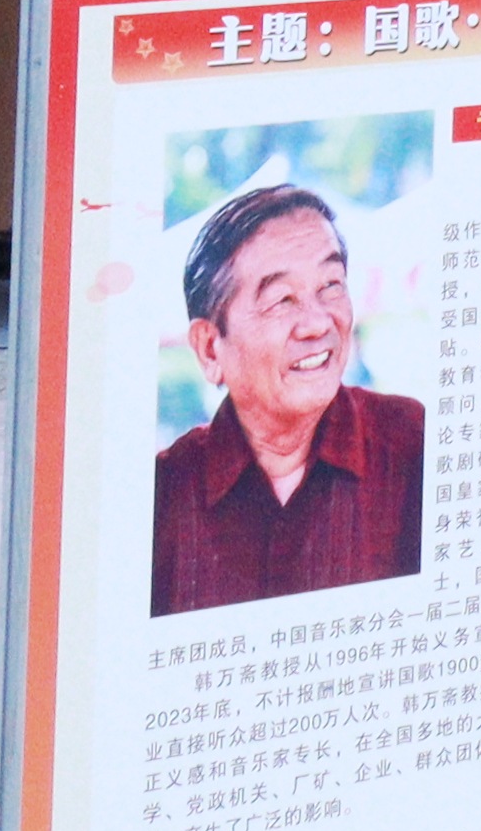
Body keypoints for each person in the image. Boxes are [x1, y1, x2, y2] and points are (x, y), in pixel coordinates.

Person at [152, 186, 425, 616]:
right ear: (209, 348)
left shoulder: (415, 446)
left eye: (331, 286)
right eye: (282, 300)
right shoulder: (162, 495)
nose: (317, 324)